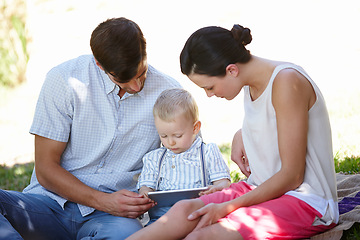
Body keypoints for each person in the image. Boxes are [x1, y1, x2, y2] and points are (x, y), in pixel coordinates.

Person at [126, 24, 339, 240]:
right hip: (259, 188)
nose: (209, 95)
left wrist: (228, 207)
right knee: (185, 211)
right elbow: (276, 120)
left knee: (202, 235)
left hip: (305, 200)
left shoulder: (286, 81)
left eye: (209, 87)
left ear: (231, 70)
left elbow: (292, 176)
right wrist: (242, 133)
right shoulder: (251, 83)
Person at [0, 17, 181, 239]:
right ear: (99, 64)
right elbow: (46, 169)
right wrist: (104, 201)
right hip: (50, 204)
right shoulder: (64, 80)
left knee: (127, 236)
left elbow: (184, 163)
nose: (137, 86)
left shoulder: (169, 93)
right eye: (124, 79)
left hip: (116, 221)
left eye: (141, 73)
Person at [137, 88, 231, 225]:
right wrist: (145, 193)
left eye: (177, 135)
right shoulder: (154, 159)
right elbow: (146, 187)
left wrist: (217, 188)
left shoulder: (208, 152)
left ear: (195, 128)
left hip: (198, 214)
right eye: (163, 136)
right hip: (162, 218)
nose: (170, 142)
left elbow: (224, 183)